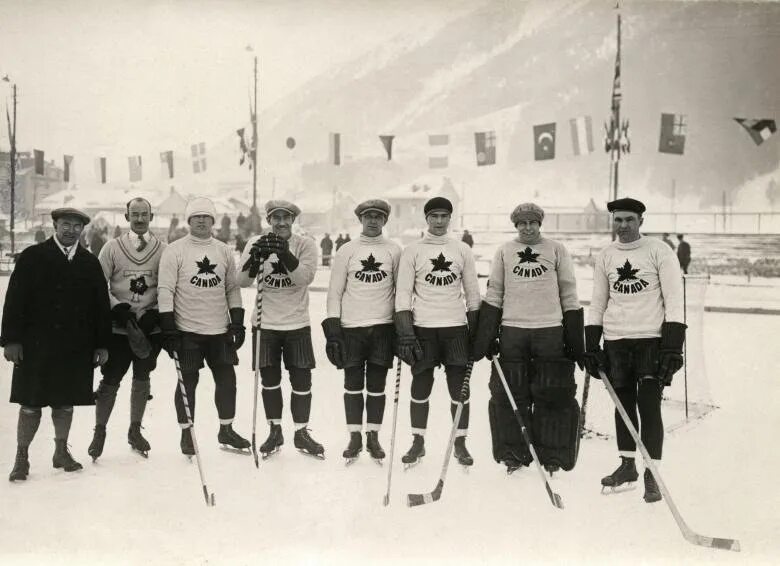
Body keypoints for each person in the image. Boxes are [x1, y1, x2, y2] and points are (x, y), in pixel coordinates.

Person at [583, 197, 685, 503]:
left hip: (650, 340)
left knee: (649, 405)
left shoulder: (659, 251)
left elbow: (674, 299)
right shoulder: (606, 255)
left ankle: (652, 472)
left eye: (629, 219)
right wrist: (592, 345)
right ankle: (627, 465)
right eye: (618, 220)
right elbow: (598, 301)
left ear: (641, 221)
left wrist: (672, 347)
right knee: (623, 404)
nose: (623, 226)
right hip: (616, 341)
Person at [473, 203, 584, 474]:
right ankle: (514, 452)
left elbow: (568, 293)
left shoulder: (556, 249)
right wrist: (486, 335)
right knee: (511, 393)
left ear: (540, 223)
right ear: (515, 226)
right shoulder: (504, 251)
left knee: (552, 392)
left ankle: (553, 455)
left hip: (549, 330)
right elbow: (495, 292)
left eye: (532, 222)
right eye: (522, 223)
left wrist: (575, 341)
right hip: (513, 330)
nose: (527, 227)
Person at [2, 207, 111, 481]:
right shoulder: (32, 257)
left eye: (77, 226)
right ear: (55, 225)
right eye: (65, 224)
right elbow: (13, 302)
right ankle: (21, 458)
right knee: (31, 403)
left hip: (75, 348)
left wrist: (102, 344)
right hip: (36, 346)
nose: (71, 230)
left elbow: (100, 308)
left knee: (64, 403)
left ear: (82, 230)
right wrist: (11, 340)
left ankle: (61, 452)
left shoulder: (89, 263)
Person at [157, 197, 250, 456]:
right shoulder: (175, 250)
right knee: (188, 382)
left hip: (218, 330)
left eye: (206, 217)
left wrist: (238, 323)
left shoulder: (222, 250)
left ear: (213, 221)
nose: (201, 220)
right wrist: (168, 328)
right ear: (188, 221)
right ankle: (187, 433)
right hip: (187, 330)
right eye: (196, 217)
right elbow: (165, 290)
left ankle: (226, 428)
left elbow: (232, 288)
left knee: (227, 380)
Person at [394, 196, 480, 467]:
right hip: (423, 329)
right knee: (421, 387)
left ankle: (460, 442)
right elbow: (403, 294)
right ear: (427, 218)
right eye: (434, 216)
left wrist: (476, 331)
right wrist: (406, 333)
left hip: (455, 329)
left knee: (460, 390)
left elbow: (473, 293)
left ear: (450, 218)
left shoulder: (461, 249)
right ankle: (418, 442)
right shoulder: (413, 250)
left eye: (444, 216)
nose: (439, 221)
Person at [238, 200, 323, 458]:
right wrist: (254, 260)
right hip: (266, 323)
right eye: (276, 218)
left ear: (293, 220)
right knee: (270, 381)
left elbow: (304, 278)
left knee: (301, 380)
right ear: (269, 221)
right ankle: (275, 430)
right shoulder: (256, 242)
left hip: (296, 323)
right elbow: (241, 281)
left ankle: (301, 432)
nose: (282, 222)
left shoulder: (305, 244)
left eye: (287, 218)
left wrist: (284, 253)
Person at [322, 199, 402, 463]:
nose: (373, 221)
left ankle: (373, 436)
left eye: (378, 217)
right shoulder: (347, 250)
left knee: (377, 386)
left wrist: (403, 329)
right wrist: (333, 331)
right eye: (368, 216)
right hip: (351, 328)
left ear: (385, 221)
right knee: (353, 385)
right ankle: (354, 436)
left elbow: (401, 293)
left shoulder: (394, 250)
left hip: (382, 328)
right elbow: (334, 292)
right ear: (360, 219)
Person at [88, 198, 166, 461]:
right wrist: (117, 308)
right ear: (127, 216)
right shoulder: (112, 247)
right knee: (111, 379)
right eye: (135, 214)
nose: (140, 219)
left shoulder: (163, 249)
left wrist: (154, 312)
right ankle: (99, 431)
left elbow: (167, 286)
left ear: (151, 216)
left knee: (142, 378)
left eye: (145, 214)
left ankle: (135, 429)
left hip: (148, 328)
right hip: (119, 327)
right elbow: (99, 285)